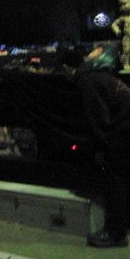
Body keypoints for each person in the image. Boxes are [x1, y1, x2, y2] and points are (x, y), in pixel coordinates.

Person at [72, 43, 130, 248]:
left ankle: (115, 233)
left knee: (115, 179)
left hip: (124, 130)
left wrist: (102, 149)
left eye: (96, 50)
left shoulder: (88, 79)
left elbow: (98, 120)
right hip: (125, 127)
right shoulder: (105, 78)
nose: (89, 52)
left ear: (101, 55)